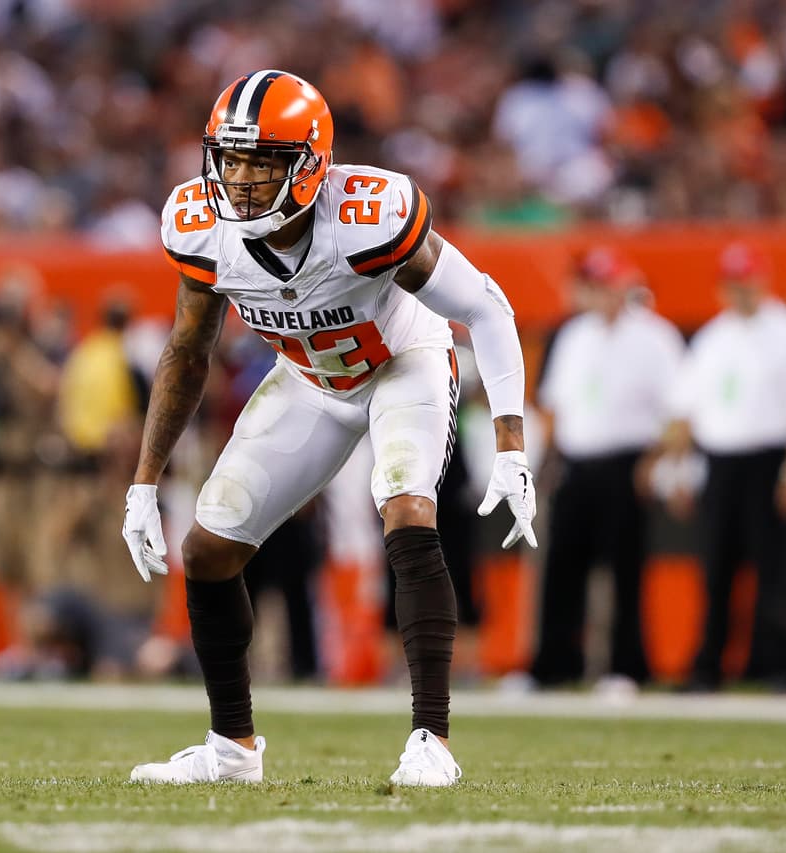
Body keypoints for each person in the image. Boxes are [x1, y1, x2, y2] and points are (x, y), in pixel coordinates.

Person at [121, 70, 536, 787]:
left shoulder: (367, 214)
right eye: (232, 158)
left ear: (311, 165)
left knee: (406, 504)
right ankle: (232, 749)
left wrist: (509, 442)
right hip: (313, 382)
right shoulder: (199, 226)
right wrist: (143, 482)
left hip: (403, 360)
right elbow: (188, 351)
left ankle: (431, 740)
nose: (241, 178)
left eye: (263, 161)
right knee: (210, 547)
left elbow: (489, 307)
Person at [659, 243, 786, 690]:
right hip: (721, 462)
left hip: (769, 458)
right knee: (716, 569)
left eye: (747, 282)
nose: (741, 293)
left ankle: (781, 664)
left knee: (776, 570)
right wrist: (676, 471)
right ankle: (709, 667)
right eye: (733, 284)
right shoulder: (713, 337)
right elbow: (684, 411)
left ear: (763, 279)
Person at [529, 247, 684, 689]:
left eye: (605, 285)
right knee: (562, 568)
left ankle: (625, 667)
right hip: (577, 463)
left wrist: (657, 462)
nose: (598, 294)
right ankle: (554, 665)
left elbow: (677, 409)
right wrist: (548, 464)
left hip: (627, 461)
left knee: (623, 570)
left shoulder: (655, 337)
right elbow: (557, 407)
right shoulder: (574, 335)